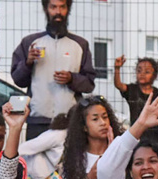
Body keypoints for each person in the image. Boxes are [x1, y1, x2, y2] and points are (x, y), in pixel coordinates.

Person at [11, 0, 96, 140]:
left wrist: (71, 79)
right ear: (46, 9)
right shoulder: (30, 42)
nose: (58, 12)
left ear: (68, 9)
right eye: (53, 7)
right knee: (34, 161)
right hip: (38, 120)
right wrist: (28, 63)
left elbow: (89, 84)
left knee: (70, 161)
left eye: (62, 7)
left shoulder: (80, 44)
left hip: (70, 120)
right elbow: (18, 79)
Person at [114, 56, 158, 146]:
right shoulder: (131, 90)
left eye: (147, 72)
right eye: (139, 71)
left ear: (155, 75)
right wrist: (117, 68)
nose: (142, 74)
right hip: (137, 133)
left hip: (155, 134)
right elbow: (118, 85)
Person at [19, 113, 69, 179]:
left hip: (50, 177)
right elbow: (25, 148)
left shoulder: (71, 136)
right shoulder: (58, 135)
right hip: (40, 178)